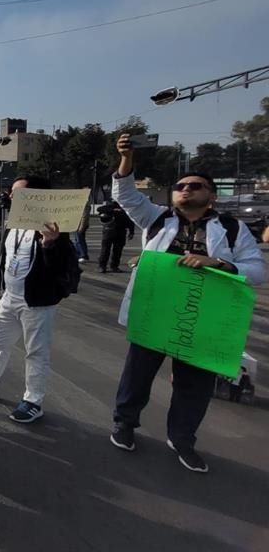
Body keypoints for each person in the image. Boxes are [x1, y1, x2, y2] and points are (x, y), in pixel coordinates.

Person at [108, 133, 266, 473]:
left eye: (195, 186)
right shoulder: (158, 218)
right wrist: (126, 160)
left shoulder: (232, 229)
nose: (185, 190)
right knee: (137, 375)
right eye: (180, 185)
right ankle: (124, 423)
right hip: (156, 311)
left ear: (210, 195)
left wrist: (219, 264)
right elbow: (125, 194)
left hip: (202, 317)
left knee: (194, 386)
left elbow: (256, 271)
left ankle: (182, 439)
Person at [0, 176, 75, 424]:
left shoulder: (56, 228)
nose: (11, 196)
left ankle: (33, 401)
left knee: (36, 352)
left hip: (37, 302)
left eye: (17, 193)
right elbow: (5, 257)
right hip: (9, 297)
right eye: (12, 192)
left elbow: (60, 269)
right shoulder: (14, 223)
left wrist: (49, 244)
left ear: (36, 196)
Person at [96, 199, 135, 273]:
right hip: (109, 231)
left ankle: (114, 266)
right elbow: (99, 209)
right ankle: (102, 266)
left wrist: (131, 232)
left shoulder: (126, 209)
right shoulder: (109, 207)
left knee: (117, 251)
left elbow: (130, 221)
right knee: (105, 250)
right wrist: (113, 210)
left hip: (121, 231)